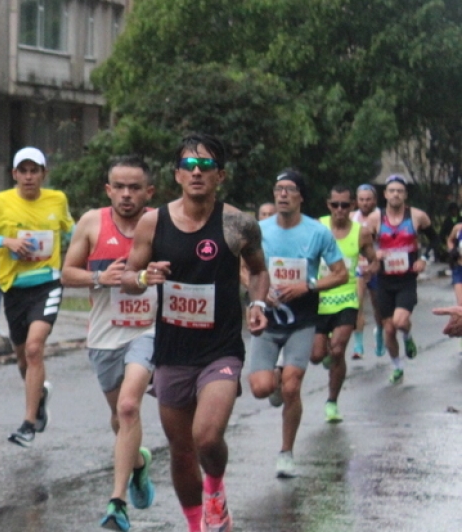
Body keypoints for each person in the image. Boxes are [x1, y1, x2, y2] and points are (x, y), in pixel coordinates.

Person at [121, 134, 269, 532]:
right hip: (172, 351)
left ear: (220, 175)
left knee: (206, 437)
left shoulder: (238, 222)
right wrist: (142, 275)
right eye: (189, 165)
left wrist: (257, 304)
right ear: (177, 176)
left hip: (221, 349)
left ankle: (216, 492)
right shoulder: (154, 222)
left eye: (206, 165)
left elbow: (258, 270)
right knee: (183, 452)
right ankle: (195, 525)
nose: (197, 171)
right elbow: (127, 279)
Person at [61, 155, 157, 531]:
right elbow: (67, 274)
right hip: (104, 335)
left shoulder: (160, 224)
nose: (127, 194)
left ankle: (117, 502)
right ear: (108, 189)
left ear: (149, 191)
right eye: (119, 186)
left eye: (135, 187)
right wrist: (102, 278)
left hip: (148, 331)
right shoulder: (91, 222)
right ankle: (138, 464)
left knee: (130, 407)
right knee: (119, 418)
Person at [247, 169, 347, 479]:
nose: (283, 194)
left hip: (302, 322)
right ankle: (274, 382)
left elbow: (341, 273)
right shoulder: (258, 230)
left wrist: (309, 286)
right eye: (278, 189)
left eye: (290, 189)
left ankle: (286, 452)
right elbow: (243, 269)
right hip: (267, 320)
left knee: (293, 386)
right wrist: (259, 298)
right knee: (262, 389)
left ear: (301, 196)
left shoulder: (317, 232)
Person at [0, 146, 75, 447]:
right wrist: (4, 240)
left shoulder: (57, 200)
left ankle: (28, 423)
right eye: (23, 171)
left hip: (47, 284)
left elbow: (73, 231)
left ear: (43, 174)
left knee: (35, 349)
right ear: (14, 174)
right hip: (13, 288)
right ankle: (40, 395)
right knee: (23, 359)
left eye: (34, 170)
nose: (29, 176)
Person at [310, 185, 378, 423]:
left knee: (338, 350)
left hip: (347, 297)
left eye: (345, 205)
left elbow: (373, 259)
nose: (340, 210)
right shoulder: (319, 226)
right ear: (329, 205)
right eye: (335, 205)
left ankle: (332, 402)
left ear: (352, 206)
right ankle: (328, 356)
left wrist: (371, 270)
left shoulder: (361, 232)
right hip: (319, 297)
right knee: (317, 355)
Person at [367, 174, 435, 384]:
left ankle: (407, 336)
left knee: (400, 321)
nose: (396, 194)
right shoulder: (375, 219)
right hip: (384, 281)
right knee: (388, 329)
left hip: (407, 280)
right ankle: (397, 366)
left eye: (400, 191)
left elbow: (435, 238)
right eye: (392, 191)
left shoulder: (417, 216)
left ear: (405, 195)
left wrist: (424, 258)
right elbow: (362, 246)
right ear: (385, 194)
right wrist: (372, 255)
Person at [350, 183, 383, 359]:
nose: (365, 203)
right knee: (357, 304)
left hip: (377, 268)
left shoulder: (382, 217)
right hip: (358, 267)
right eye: (361, 199)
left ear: (375, 200)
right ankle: (358, 345)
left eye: (368, 199)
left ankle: (379, 333)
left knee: (378, 306)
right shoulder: (351, 217)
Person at [445, 219, 462, 353]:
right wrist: (452, 250)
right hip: (459, 270)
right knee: (461, 305)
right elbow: (450, 240)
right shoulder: (458, 228)